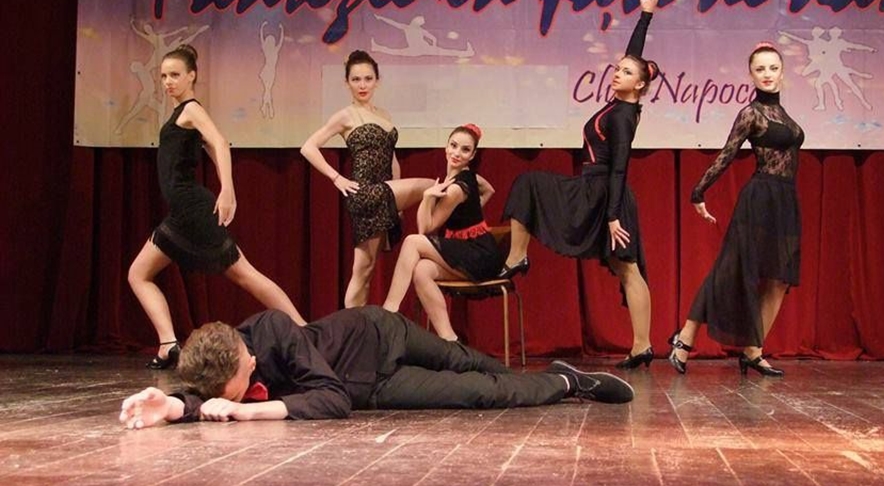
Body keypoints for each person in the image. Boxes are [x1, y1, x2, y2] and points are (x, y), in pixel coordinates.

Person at [501, 0, 664, 370]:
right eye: (617, 69)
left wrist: (612, 216)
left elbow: (620, 167)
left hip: (606, 195)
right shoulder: (621, 102)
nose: (617, 73)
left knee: (627, 267)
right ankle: (518, 256)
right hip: (596, 190)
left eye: (626, 72)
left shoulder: (623, 116)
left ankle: (642, 345)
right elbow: (635, 58)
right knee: (624, 267)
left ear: (639, 84)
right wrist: (645, 15)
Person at [118, 307, 634, 427]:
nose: (251, 363)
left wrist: (252, 412)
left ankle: (540, 378)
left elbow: (329, 396)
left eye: (246, 359)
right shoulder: (217, 370)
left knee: (465, 358)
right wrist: (172, 407)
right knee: (477, 392)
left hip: (379, 331)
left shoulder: (270, 330)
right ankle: (568, 382)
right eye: (239, 379)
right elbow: (207, 396)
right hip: (376, 384)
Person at [127, 45, 306, 369]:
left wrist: (228, 190)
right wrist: (222, 183)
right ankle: (168, 344)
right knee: (139, 274)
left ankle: (304, 330)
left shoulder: (191, 110)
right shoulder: (181, 114)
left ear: (191, 76)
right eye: (164, 76)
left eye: (175, 75)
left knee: (245, 275)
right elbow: (211, 148)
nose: (168, 82)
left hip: (193, 211)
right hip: (183, 213)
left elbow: (220, 142)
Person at [668, 43, 804, 378]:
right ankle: (685, 337)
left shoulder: (784, 115)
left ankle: (754, 351)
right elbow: (726, 154)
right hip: (759, 199)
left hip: (786, 200)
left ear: (782, 72)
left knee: (779, 280)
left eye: (773, 68)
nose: (767, 74)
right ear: (751, 75)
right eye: (760, 69)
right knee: (730, 270)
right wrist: (698, 191)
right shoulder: (751, 114)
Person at [300, 51, 434, 308]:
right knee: (432, 186)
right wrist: (336, 177)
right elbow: (308, 147)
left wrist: (399, 207)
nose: (362, 85)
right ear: (347, 83)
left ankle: (357, 324)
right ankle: (350, 325)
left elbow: (392, 160)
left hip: (386, 192)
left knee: (366, 269)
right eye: (356, 79)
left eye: (368, 79)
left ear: (377, 81)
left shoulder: (384, 115)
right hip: (366, 193)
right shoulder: (346, 116)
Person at [381, 124, 500, 340]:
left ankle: (389, 312)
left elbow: (425, 229)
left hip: (480, 255)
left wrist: (428, 197)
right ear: (446, 147)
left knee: (412, 242)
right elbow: (489, 190)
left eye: (465, 150)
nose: (456, 153)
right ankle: (450, 340)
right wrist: (471, 211)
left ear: (472, 155)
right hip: (469, 250)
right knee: (422, 271)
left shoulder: (456, 189)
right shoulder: (466, 177)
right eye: (453, 145)